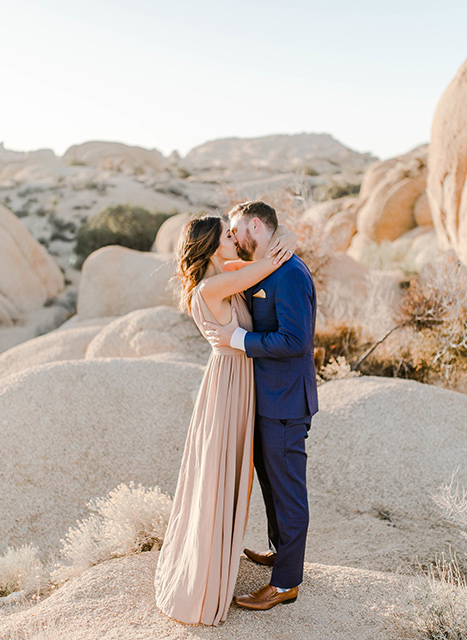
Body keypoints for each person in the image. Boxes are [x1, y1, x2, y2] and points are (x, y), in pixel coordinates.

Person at [154, 212, 296, 625]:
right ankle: (203, 581)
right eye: (228, 235)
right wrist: (273, 248)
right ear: (215, 245)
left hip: (234, 379)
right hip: (230, 384)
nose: (235, 238)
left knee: (228, 473)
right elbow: (267, 266)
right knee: (220, 476)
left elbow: (248, 267)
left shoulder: (224, 273)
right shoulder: (214, 285)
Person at [205, 200, 318, 612]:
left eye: (236, 230)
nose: (233, 238)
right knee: (271, 483)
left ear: (256, 224)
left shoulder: (288, 273)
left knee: (288, 491)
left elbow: (296, 341)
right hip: (263, 398)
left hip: (286, 401)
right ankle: (279, 551)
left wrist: (239, 342)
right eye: (228, 234)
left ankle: (286, 582)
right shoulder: (267, 265)